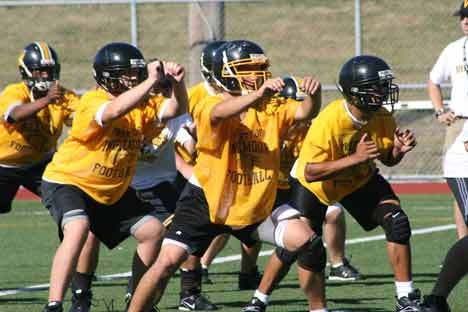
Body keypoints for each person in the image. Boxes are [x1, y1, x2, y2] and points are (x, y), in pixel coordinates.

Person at [126, 39, 322, 312]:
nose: (258, 75)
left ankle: (318, 309)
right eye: (248, 69)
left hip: (252, 201)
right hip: (206, 198)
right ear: (227, 74)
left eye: (260, 68)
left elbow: (304, 112)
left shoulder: (270, 107)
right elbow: (220, 114)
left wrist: (315, 94)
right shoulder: (210, 103)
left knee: (308, 243)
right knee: (167, 262)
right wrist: (258, 94)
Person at [40, 42, 187, 312]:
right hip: (70, 181)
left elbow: (175, 109)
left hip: (109, 191)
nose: (134, 79)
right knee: (79, 227)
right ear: (107, 76)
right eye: (127, 74)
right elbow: (113, 112)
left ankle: (137, 298)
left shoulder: (142, 106)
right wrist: (150, 81)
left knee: (153, 231)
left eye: (136, 74)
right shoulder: (93, 101)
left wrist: (178, 84)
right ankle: (54, 304)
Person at [287, 55, 419, 312]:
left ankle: (406, 298)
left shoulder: (381, 116)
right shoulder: (330, 120)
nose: (383, 93)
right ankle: (310, 307)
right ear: (355, 92)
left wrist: (399, 150)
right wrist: (355, 158)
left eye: (384, 86)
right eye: (376, 88)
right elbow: (311, 172)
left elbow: (387, 160)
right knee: (309, 250)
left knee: (397, 221)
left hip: (358, 179)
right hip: (316, 185)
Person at [241, 77, 360, 312]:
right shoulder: (267, 124)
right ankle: (257, 297)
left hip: (299, 186)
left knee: (306, 242)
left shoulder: (307, 129)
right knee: (296, 244)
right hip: (271, 191)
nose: (298, 119)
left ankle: (263, 300)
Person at [0, 41, 79, 215]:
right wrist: (46, 101)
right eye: (40, 71)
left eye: (49, 71)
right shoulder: (15, 91)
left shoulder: (63, 96)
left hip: (40, 163)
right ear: (26, 71)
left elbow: (84, 118)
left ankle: (71, 238)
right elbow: (14, 115)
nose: (46, 76)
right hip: (4, 163)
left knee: (69, 204)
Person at [428, 0, 468, 241]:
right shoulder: (453, 49)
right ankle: (463, 247)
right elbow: (433, 80)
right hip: (459, 124)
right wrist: (440, 110)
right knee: (460, 187)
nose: (465, 20)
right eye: (463, 16)